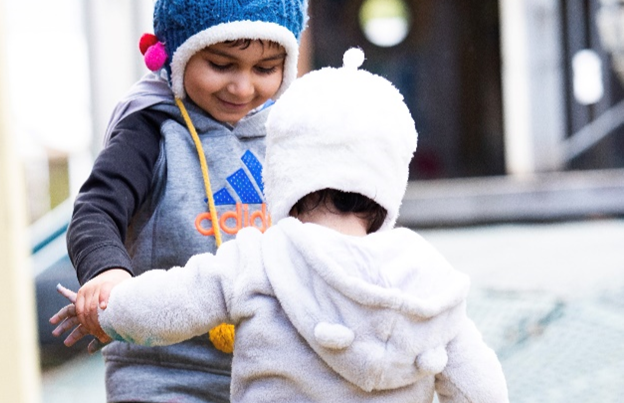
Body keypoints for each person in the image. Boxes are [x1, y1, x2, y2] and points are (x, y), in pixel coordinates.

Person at [86, 48, 510, 403]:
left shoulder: (260, 257)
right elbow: (482, 388)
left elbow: (174, 303)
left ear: (285, 170)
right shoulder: (428, 279)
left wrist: (108, 310)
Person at [50, 0, 308, 401]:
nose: (242, 87)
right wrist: (107, 272)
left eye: (265, 68)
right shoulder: (152, 128)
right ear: (176, 53)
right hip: (165, 372)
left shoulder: (294, 128)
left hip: (274, 365)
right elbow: (96, 210)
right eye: (221, 65)